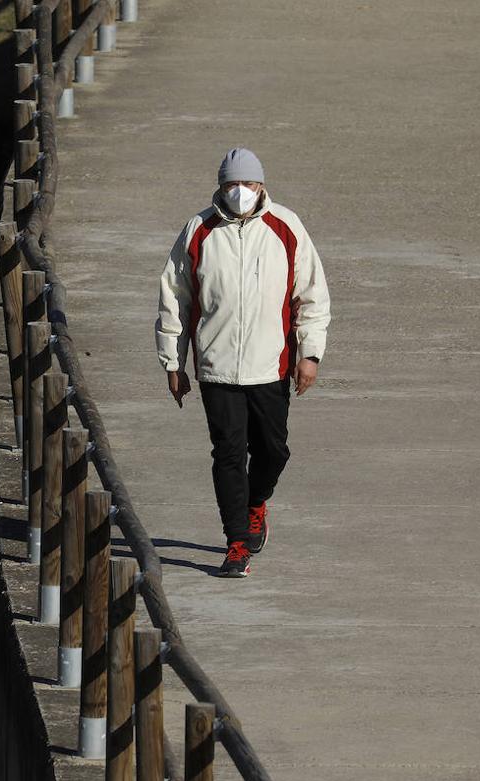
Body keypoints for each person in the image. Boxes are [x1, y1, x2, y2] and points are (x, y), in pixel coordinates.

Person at [155, 147, 331, 577]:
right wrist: (173, 364)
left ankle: (257, 503)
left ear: (261, 186)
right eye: (231, 185)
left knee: (273, 449)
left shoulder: (286, 227)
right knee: (228, 453)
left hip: (270, 365)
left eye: (247, 184)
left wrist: (309, 354)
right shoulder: (199, 230)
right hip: (216, 367)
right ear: (220, 187)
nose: (240, 192)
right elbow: (174, 299)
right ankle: (236, 544)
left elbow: (311, 295)